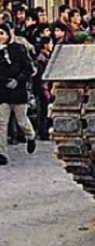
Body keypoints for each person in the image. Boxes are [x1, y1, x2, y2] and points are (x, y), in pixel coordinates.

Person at [0, 23, 37, 166]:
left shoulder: (19, 48)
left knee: (21, 120)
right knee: (2, 123)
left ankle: (30, 136)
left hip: (18, 91)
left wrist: (18, 80)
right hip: (3, 92)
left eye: (2, 33)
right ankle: (2, 153)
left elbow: (28, 68)